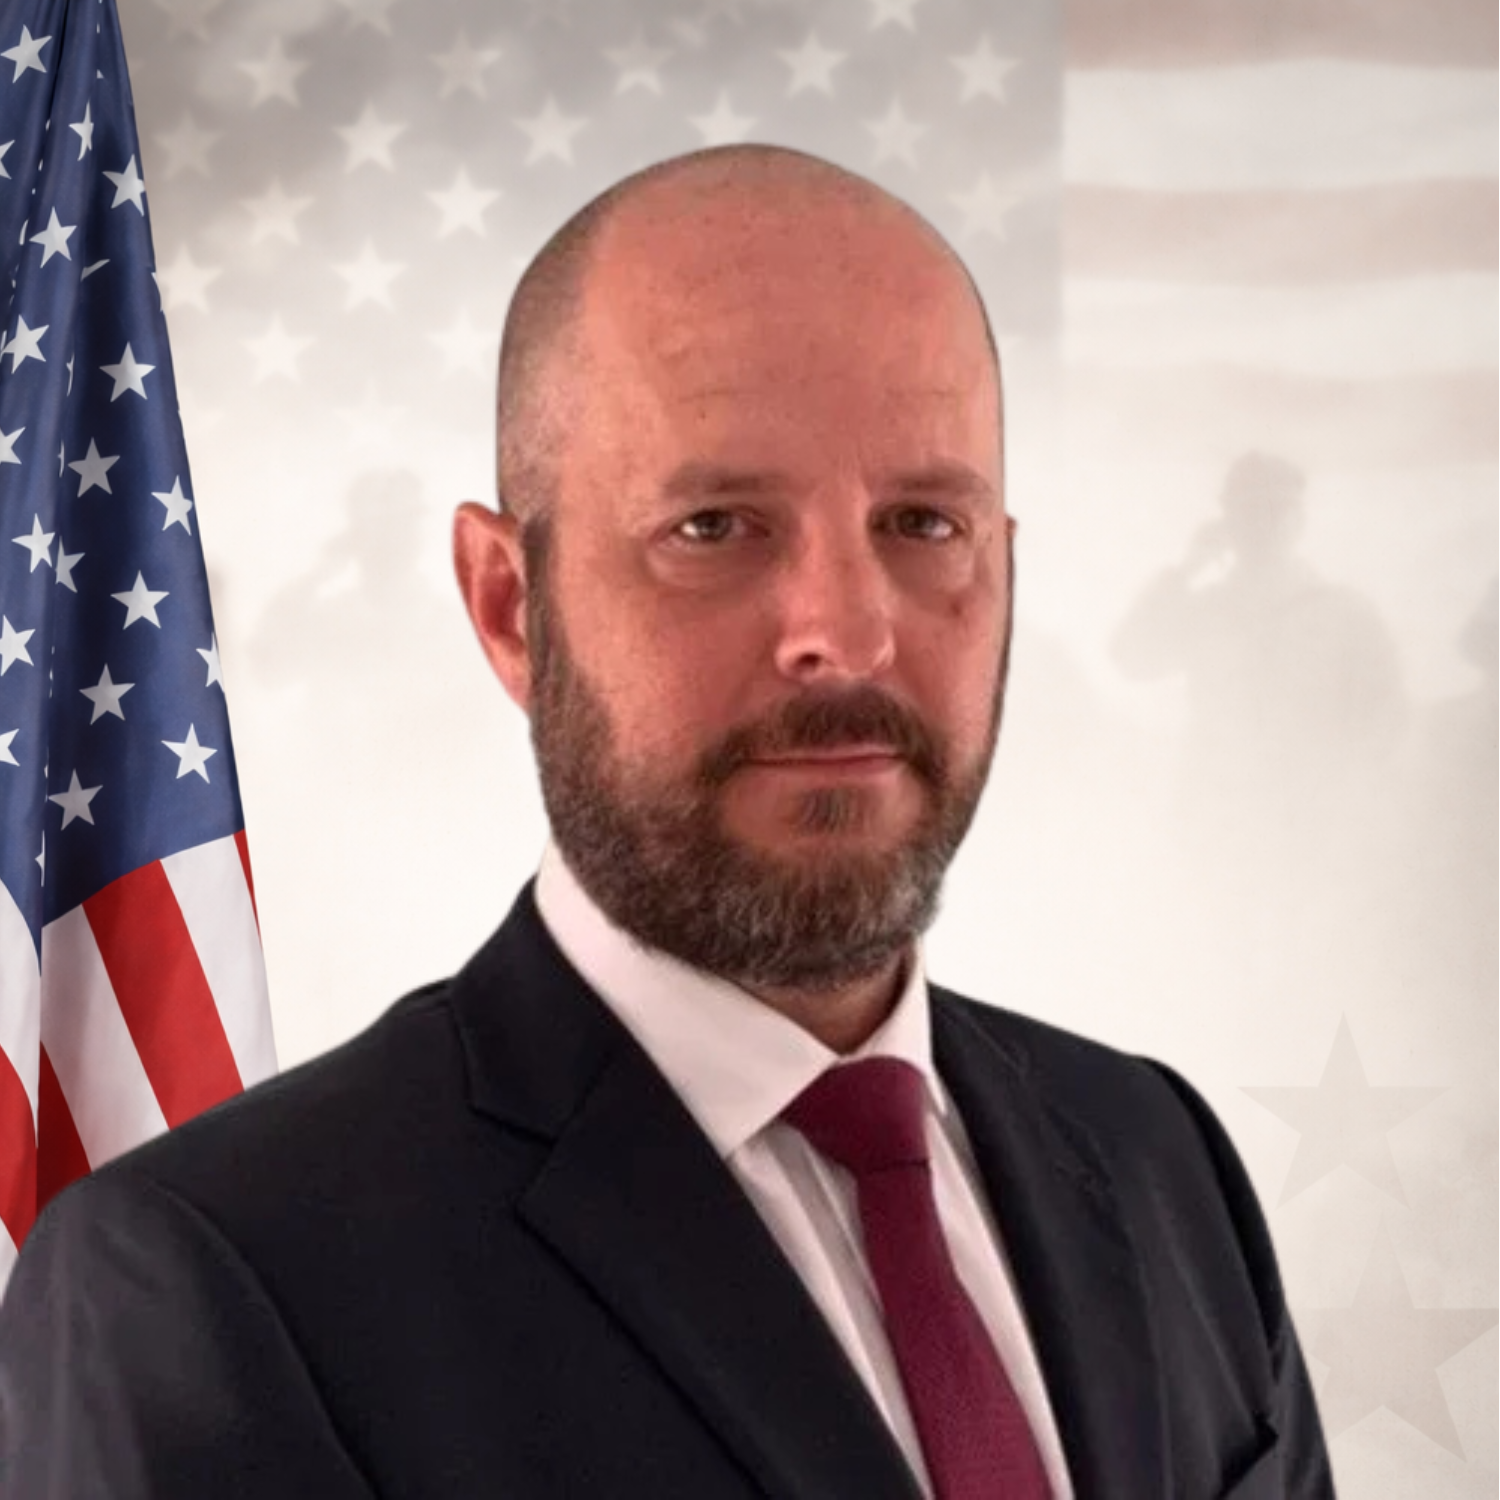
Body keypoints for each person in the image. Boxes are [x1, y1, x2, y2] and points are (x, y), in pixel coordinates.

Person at [0, 146, 1334, 1499]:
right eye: (716, 527)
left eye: (924, 521)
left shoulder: (1164, 1162)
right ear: (510, 605)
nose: (849, 632)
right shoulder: (214, 1283)